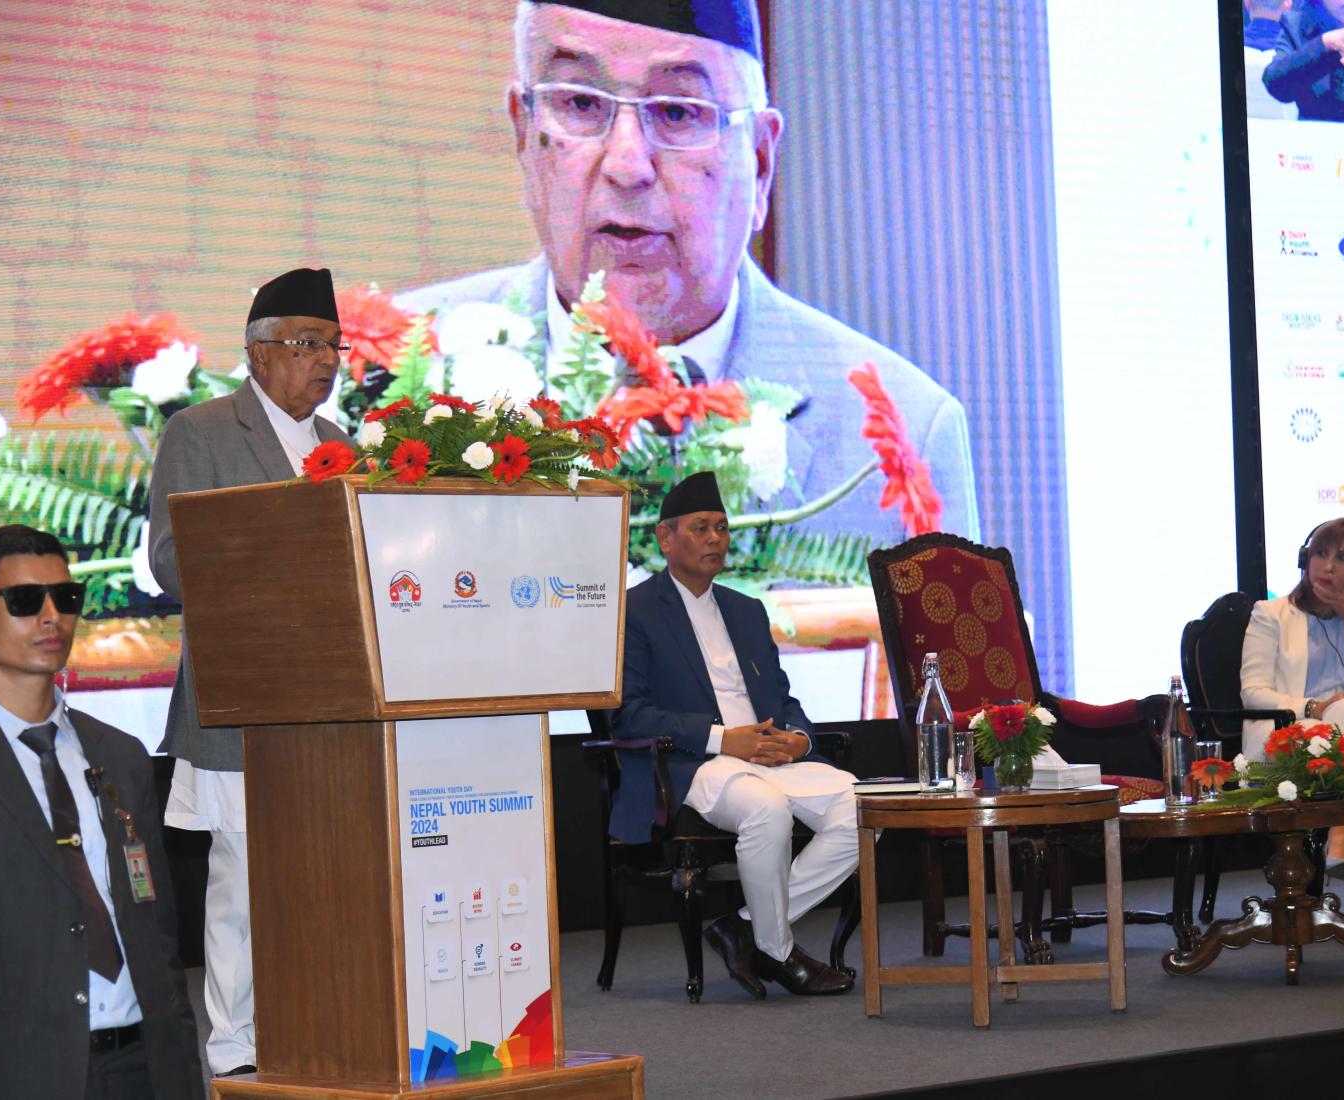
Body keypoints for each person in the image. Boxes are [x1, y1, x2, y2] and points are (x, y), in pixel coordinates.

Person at [396, 0, 979, 546]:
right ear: (524, 137)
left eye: (678, 112)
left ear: (759, 163)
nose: (627, 165)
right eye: (580, 103)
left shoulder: (905, 439)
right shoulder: (380, 381)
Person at [0, 525, 202, 1100]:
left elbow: (158, 939)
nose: (52, 616)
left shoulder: (122, 757)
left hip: (142, 1071)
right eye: (26, 601)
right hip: (9, 1076)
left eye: (66, 597)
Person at [145, 266, 352, 1076]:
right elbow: (170, 559)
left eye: (334, 344)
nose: (325, 360)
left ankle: (320, 1021)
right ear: (259, 355)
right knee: (243, 878)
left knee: (325, 872)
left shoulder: (346, 445)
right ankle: (235, 1046)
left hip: (335, 696)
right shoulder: (200, 432)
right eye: (307, 344)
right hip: (244, 692)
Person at [615, 471, 858, 998]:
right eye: (701, 528)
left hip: (770, 758)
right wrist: (722, 739)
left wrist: (798, 738)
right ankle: (778, 953)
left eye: (722, 528)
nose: (715, 539)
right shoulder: (634, 610)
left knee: (864, 808)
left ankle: (744, 927)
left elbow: (784, 698)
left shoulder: (746, 609)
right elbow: (630, 715)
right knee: (765, 809)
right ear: (665, 538)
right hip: (697, 763)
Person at [1240, 518, 1344, 924]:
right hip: (1284, 737)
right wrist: (1315, 707)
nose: (1328, 566)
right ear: (1305, 559)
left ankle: (1343, 835)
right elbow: (1253, 692)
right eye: (1320, 554)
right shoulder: (1270, 614)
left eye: (1343, 558)